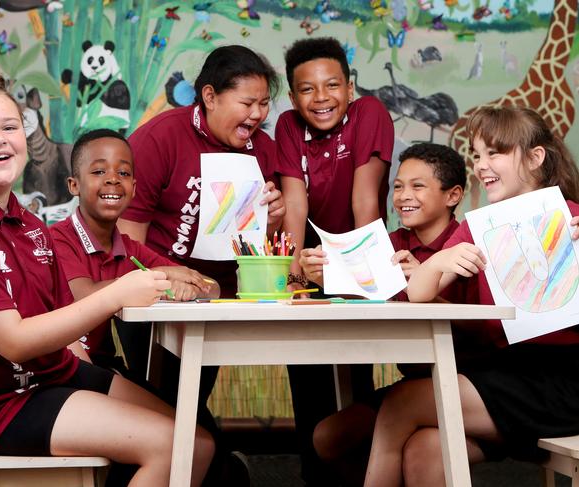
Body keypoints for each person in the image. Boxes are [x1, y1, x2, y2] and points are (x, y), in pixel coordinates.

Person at [0, 71, 214, 487]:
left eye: (9, 127)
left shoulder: (26, 222)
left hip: (53, 374)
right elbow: (13, 341)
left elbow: (65, 319)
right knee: (173, 446)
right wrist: (117, 294)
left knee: (199, 441)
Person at [365, 105, 579, 487]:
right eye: (477, 154)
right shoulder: (478, 226)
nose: (481, 164)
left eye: (494, 153)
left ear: (535, 158)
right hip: (505, 372)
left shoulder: (573, 218)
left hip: (565, 379)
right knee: (425, 449)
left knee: (400, 406)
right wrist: (438, 262)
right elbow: (418, 293)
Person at [117, 45, 284, 486]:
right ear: (209, 96)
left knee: (187, 398)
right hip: (150, 295)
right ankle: (225, 471)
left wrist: (276, 216)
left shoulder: (261, 150)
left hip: (214, 300)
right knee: (164, 400)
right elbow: (128, 233)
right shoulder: (158, 139)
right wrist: (160, 282)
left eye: (264, 104)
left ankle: (216, 468)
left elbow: (256, 242)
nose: (257, 114)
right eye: (247, 103)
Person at [300, 142, 467, 486]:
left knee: (418, 446)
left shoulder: (466, 245)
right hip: (413, 383)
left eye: (418, 186)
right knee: (328, 437)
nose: (404, 195)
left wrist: (426, 279)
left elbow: (480, 325)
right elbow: (356, 287)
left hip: (466, 381)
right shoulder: (390, 242)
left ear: (453, 196)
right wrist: (317, 274)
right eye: (398, 186)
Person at [275, 36, 394, 486]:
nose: (320, 98)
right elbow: (294, 205)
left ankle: (360, 474)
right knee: (306, 375)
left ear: (350, 87)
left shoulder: (371, 114)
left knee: (352, 372)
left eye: (331, 86)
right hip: (310, 256)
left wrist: (355, 276)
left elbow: (365, 202)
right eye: (307, 89)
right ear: (292, 97)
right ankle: (315, 477)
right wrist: (289, 273)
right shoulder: (287, 125)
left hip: (360, 255)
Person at [51, 128, 220, 373]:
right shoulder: (58, 238)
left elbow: (211, 287)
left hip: (101, 367)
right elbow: (84, 294)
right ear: (74, 185)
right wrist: (159, 276)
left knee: (179, 406)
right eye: (99, 171)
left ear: (134, 187)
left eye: (123, 172)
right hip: (59, 369)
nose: (112, 179)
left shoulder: (129, 249)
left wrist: (186, 288)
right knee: (170, 409)